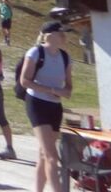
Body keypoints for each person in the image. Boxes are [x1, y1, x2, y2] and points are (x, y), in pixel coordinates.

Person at [20, 21, 72, 192]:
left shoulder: (65, 57)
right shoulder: (35, 52)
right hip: (36, 104)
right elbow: (24, 81)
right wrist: (50, 89)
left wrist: (63, 92)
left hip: (55, 107)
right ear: (49, 36)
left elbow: (69, 86)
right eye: (61, 33)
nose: (64, 36)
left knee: (44, 155)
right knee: (52, 157)